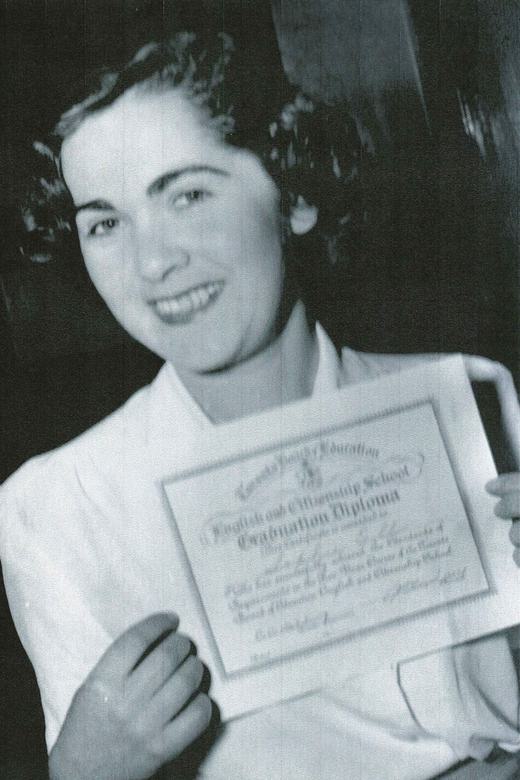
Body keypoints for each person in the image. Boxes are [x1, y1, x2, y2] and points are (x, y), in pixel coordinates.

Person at [1, 7, 520, 780]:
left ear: (295, 192)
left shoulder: (474, 398)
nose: (152, 264)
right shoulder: (58, 507)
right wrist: (85, 771)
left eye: (188, 196)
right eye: (105, 223)